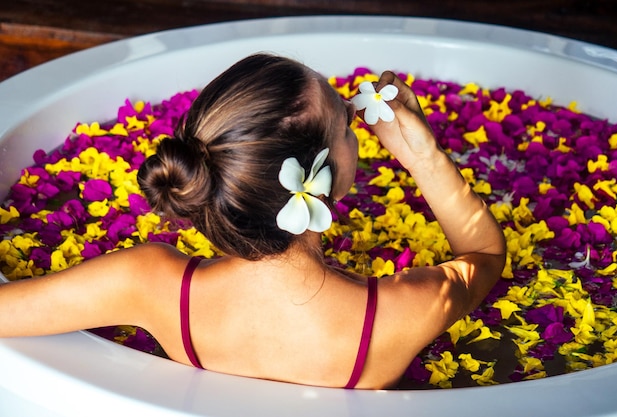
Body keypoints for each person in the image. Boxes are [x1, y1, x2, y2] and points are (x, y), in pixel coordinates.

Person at [0, 54, 506, 389]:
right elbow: (485, 256)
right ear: (317, 176)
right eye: (348, 125)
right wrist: (423, 155)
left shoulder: (148, 282)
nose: (356, 130)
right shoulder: (399, 311)